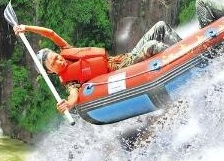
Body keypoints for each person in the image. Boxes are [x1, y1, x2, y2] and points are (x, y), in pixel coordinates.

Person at [12, 21, 181, 114]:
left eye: (56, 57)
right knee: (151, 45)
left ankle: (185, 48)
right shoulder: (71, 81)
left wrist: (26, 28)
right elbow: (73, 96)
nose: (59, 61)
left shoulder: (66, 51)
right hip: (124, 70)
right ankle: (178, 61)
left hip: (126, 58)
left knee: (160, 26)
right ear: (50, 71)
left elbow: (50, 33)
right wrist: (68, 105)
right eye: (54, 64)